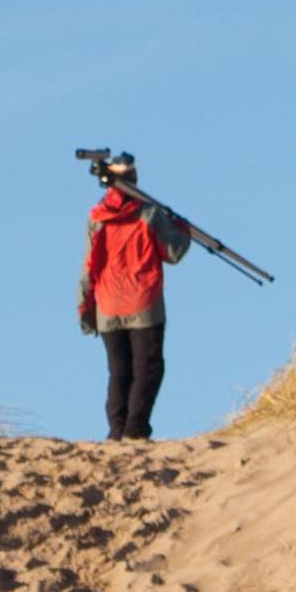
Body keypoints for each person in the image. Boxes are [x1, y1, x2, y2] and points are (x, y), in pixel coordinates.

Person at [77, 153, 191, 441]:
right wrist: (182, 229)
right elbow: (173, 252)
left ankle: (117, 430)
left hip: (108, 305)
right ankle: (135, 430)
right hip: (143, 302)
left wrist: (85, 307)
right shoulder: (149, 215)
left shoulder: (96, 218)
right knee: (148, 369)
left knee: (119, 372)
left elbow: (89, 265)